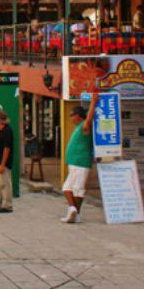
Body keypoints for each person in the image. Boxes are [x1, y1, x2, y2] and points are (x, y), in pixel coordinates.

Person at [62, 95, 97, 223]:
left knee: (77, 189)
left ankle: (73, 209)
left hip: (80, 163)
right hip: (74, 163)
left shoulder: (84, 126)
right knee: (68, 187)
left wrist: (93, 102)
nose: (71, 117)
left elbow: (89, 118)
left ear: (79, 115)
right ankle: (75, 212)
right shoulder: (78, 127)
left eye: (72, 115)